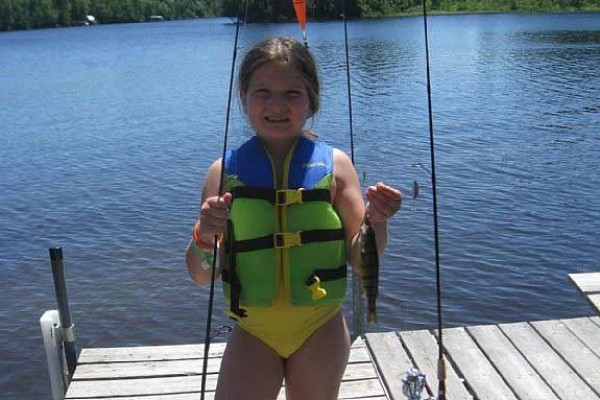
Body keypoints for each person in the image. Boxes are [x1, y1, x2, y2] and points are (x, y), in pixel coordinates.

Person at [186, 37, 402, 400]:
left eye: (292, 94)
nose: (276, 105)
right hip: (253, 330)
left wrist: (377, 220)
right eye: (263, 92)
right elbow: (200, 274)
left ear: (311, 100)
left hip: (320, 327)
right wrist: (205, 236)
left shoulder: (337, 166)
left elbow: (360, 254)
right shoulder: (223, 173)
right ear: (243, 97)